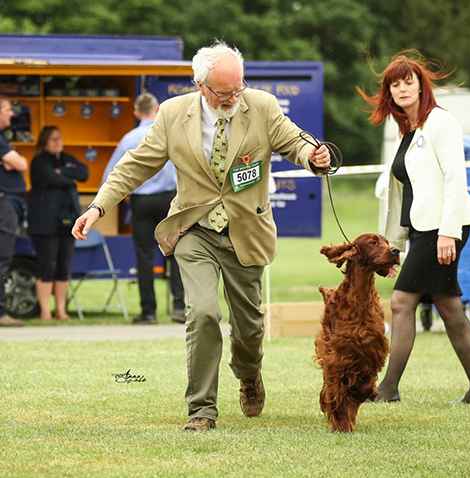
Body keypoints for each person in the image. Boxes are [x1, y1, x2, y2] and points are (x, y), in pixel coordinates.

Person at [72, 40, 331, 431]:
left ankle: (248, 373)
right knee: (203, 312)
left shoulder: (262, 106)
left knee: (249, 328)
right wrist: (98, 207)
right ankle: (202, 410)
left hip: (246, 230)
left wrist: (313, 155)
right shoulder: (172, 114)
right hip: (194, 228)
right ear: (201, 86)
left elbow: (295, 141)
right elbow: (135, 165)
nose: (233, 98)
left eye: (238, 89)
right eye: (224, 93)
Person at [358, 50, 470, 403]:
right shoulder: (406, 129)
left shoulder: (440, 121)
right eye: (395, 85)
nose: (402, 89)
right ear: (389, 92)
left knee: (402, 302)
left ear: (421, 86)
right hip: (422, 229)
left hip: (443, 228)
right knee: (448, 307)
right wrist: (394, 248)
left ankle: (388, 389)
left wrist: (448, 232)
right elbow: (405, 194)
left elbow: (455, 178)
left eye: (408, 82)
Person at [102, 93, 185, 325]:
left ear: (136, 113)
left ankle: (148, 311)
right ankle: (179, 307)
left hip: (141, 201)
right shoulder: (169, 133)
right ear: (157, 109)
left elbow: (111, 174)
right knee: (176, 252)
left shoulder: (129, 139)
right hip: (169, 199)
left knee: (144, 255)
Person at [28, 126, 89, 321]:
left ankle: (61, 310)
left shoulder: (66, 159)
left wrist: (62, 171)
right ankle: (45, 311)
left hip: (67, 222)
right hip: (45, 223)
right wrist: (68, 176)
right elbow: (52, 178)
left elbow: (83, 173)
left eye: (59, 138)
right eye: (53, 139)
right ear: (44, 142)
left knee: (63, 267)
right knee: (47, 266)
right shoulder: (39, 162)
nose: (57, 142)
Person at [0, 95, 28, 327]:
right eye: (7, 109)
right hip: (3, 205)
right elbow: (22, 164)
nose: (11, 113)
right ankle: (1, 314)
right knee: (2, 257)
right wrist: (14, 160)